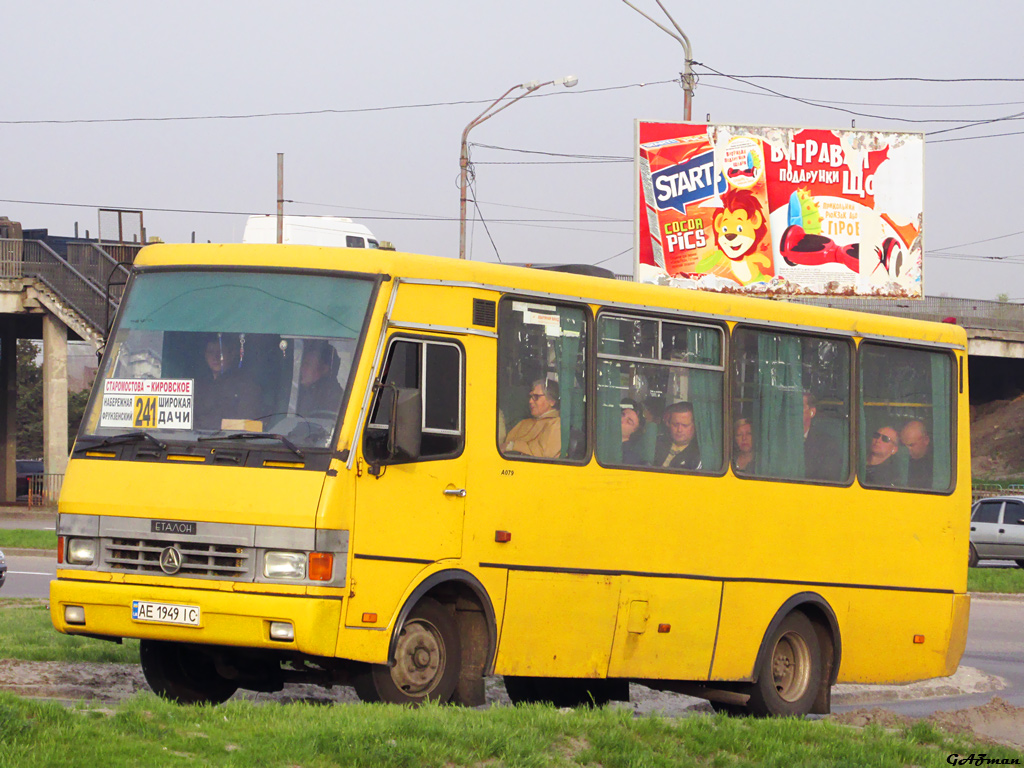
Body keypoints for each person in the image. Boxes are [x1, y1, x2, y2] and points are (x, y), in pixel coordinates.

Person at [193, 333, 262, 431]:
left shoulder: (246, 386)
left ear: (232, 353)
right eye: (210, 352)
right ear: (205, 355)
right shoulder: (198, 385)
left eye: (220, 352)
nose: (215, 357)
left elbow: (251, 425)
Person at [503, 379, 561, 458]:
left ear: (552, 401)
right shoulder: (525, 422)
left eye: (536, 397)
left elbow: (543, 454)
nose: (530, 401)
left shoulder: (557, 424)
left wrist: (512, 445)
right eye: (531, 396)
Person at [803, 392, 843, 481]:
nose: (793, 412)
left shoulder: (827, 445)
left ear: (812, 412)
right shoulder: (778, 439)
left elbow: (828, 479)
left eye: (799, 407)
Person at [297, 340, 343, 416]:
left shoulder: (333, 397)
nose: (302, 368)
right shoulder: (307, 392)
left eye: (307, 364)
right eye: (302, 364)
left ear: (324, 369)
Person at [653, 401, 701, 470]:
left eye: (685, 425)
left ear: (695, 426)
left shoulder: (699, 454)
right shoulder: (655, 443)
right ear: (668, 424)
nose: (679, 430)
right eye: (675, 425)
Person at [900, 419, 933, 489]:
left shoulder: (937, 465)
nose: (906, 450)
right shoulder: (899, 462)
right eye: (904, 446)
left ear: (926, 440)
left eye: (911, 445)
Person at [620, 399, 647, 466]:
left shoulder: (630, 458)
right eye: (622, 415)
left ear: (634, 431)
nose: (621, 420)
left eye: (629, 422)